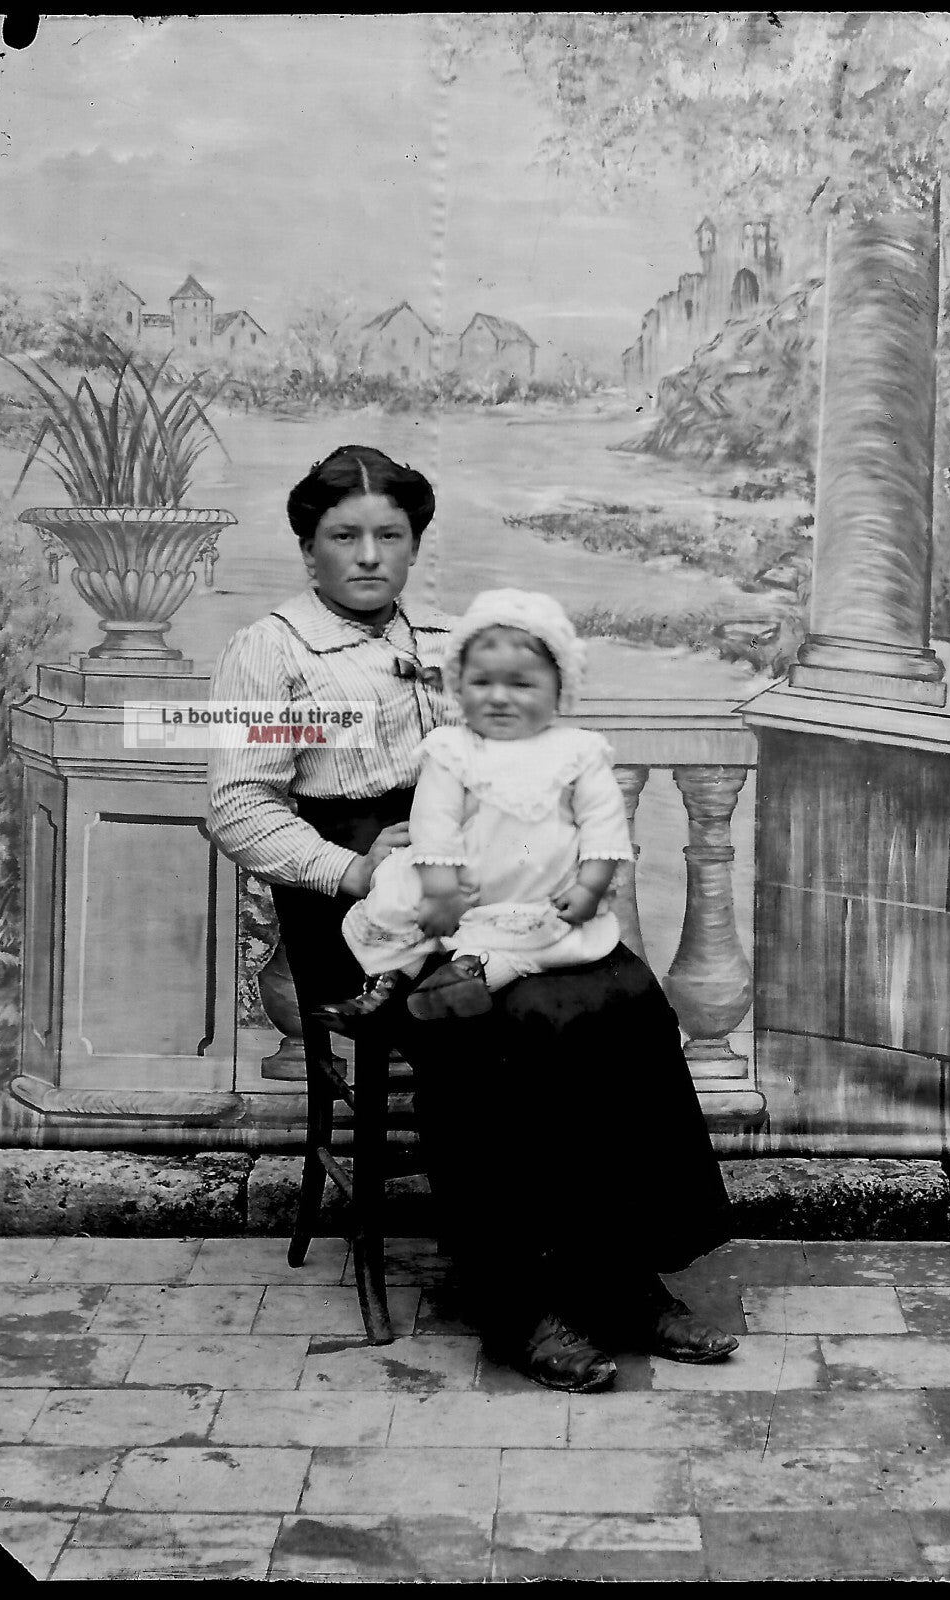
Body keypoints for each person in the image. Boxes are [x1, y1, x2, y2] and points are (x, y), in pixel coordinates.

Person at [207, 444, 739, 1394]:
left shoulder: (460, 635)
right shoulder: (268, 648)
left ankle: (618, 1272)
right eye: (343, 537)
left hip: (492, 885)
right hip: (370, 913)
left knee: (624, 997)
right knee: (500, 1021)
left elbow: (538, 746)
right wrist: (353, 867)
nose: (368, 556)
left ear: (415, 546)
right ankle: (512, 1298)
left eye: (390, 536)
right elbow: (240, 809)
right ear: (307, 547)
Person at [313, 588, 634, 1030]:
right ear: (460, 688)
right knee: (396, 890)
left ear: (560, 688)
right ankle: (388, 982)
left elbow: (605, 826)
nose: (499, 698)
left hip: (537, 881)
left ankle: (474, 972)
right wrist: (441, 889)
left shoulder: (578, 752)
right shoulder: (453, 749)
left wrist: (590, 887)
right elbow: (434, 822)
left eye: (521, 684)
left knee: (552, 931)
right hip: (459, 875)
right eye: (482, 684)